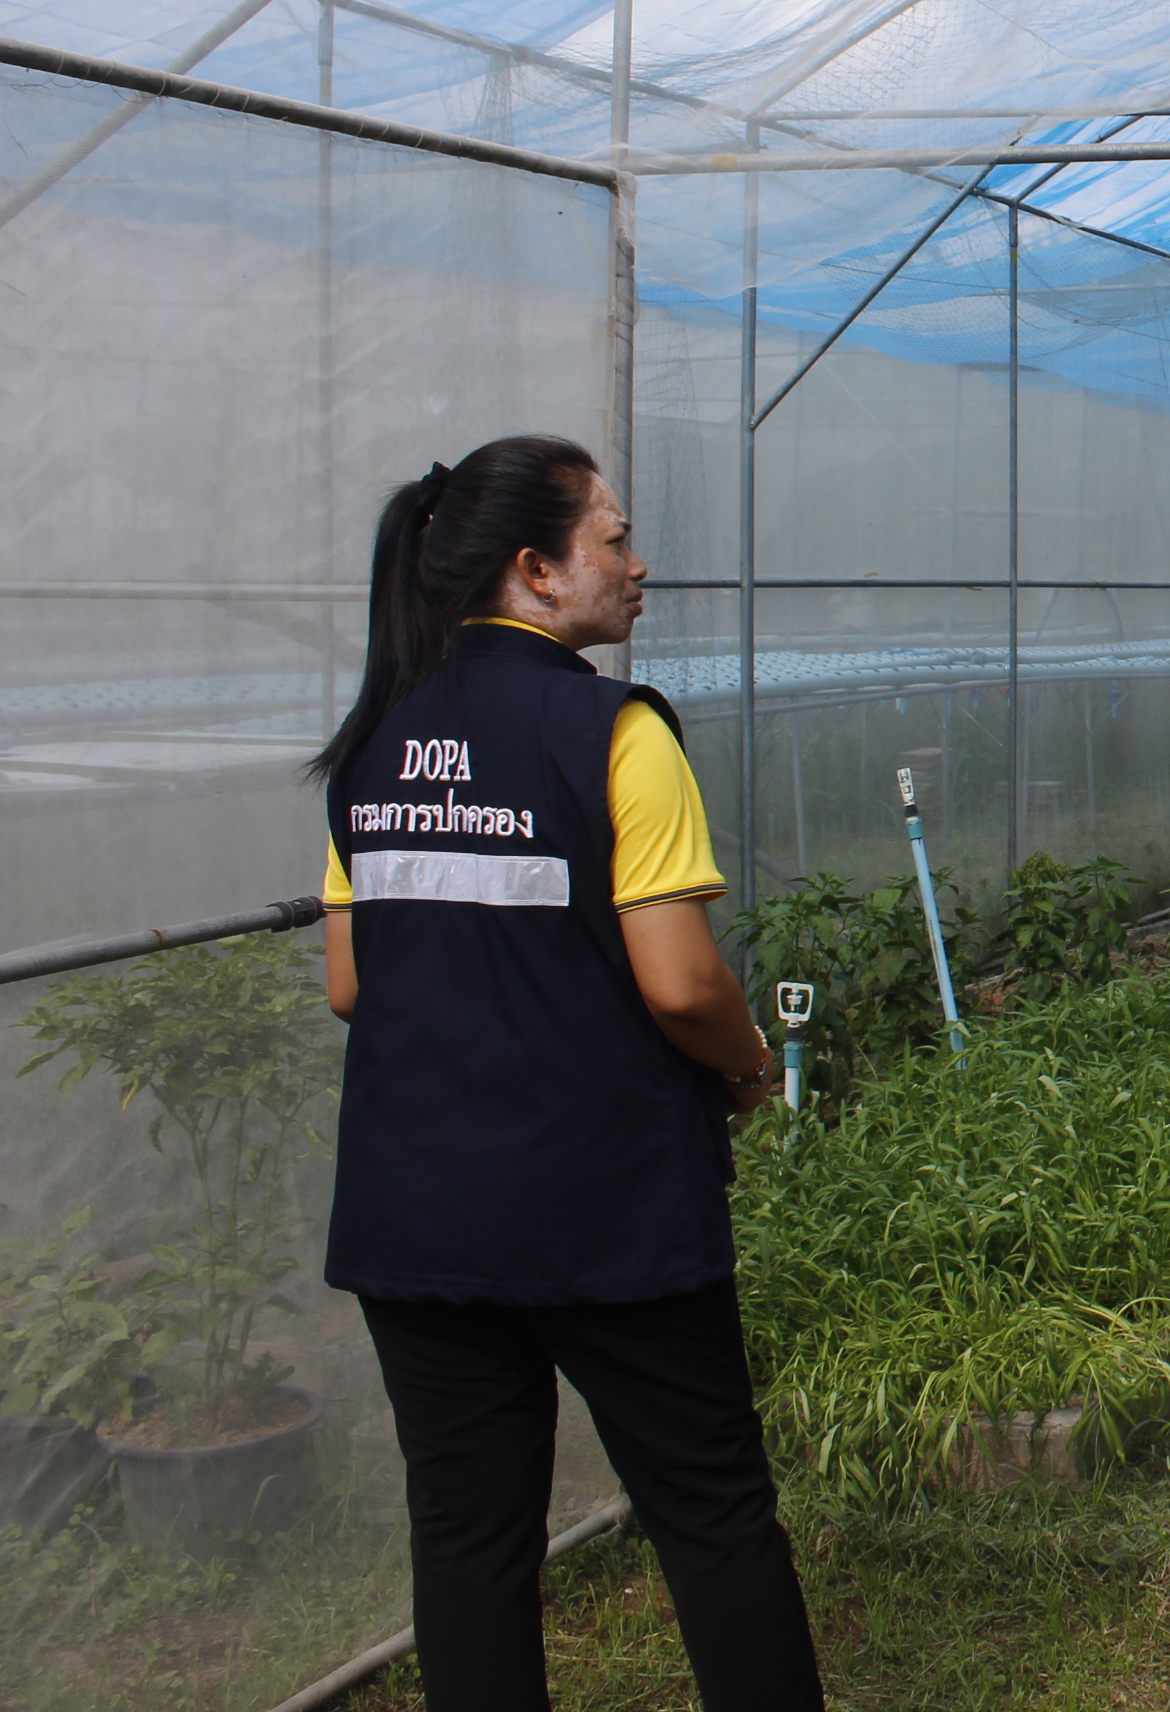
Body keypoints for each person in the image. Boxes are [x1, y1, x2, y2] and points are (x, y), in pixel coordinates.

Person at [310, 438, 820, 1712]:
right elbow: (681, 984)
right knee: (710, 1509)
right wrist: (753, 1069)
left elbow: (351, 984)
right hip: (603, 1206)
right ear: (537, 570)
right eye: (614, 539)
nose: (637, 567)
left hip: (414, 1212)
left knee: (469, 1538)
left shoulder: (376, 737)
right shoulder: (614, 730)